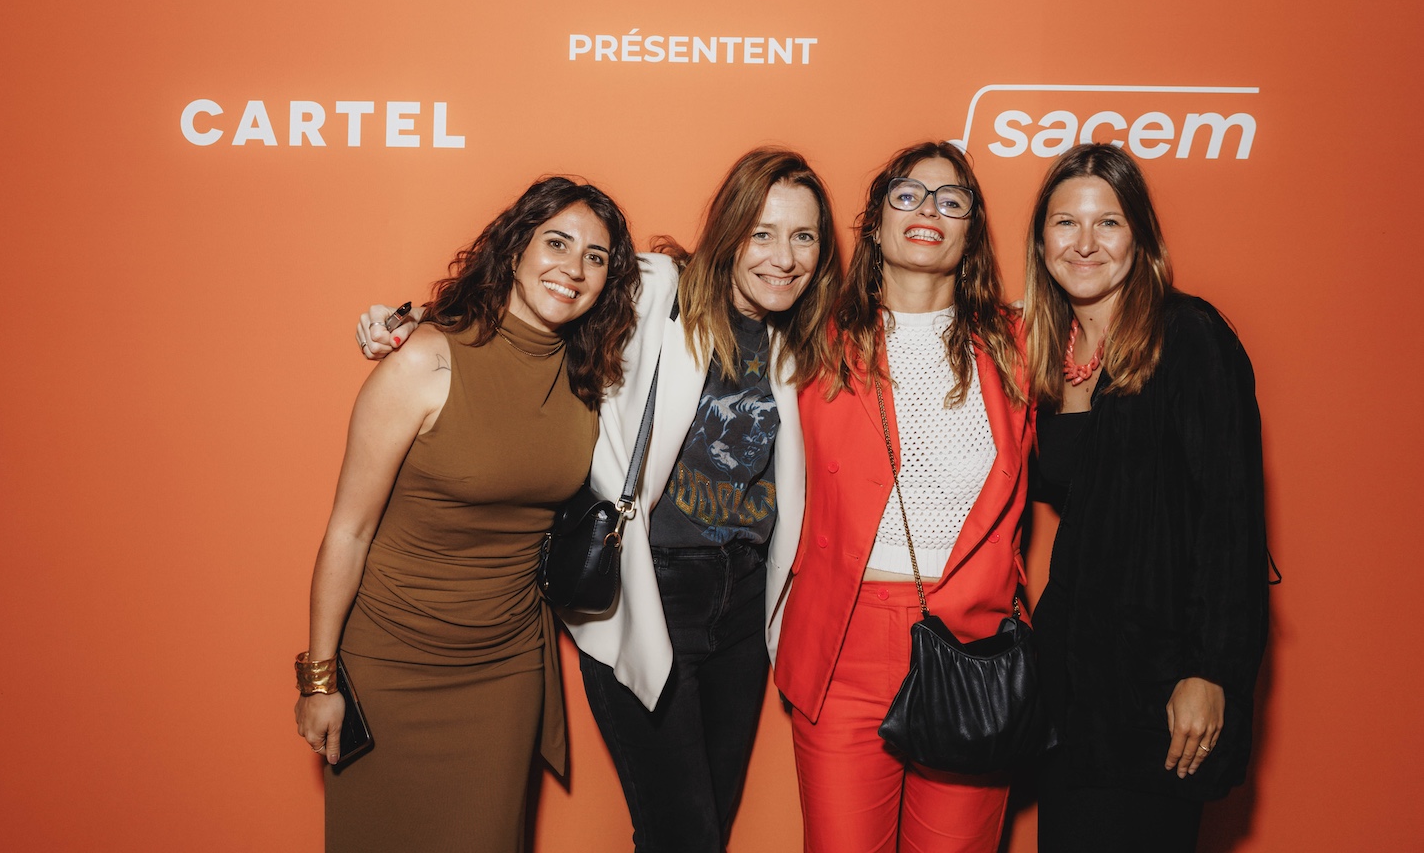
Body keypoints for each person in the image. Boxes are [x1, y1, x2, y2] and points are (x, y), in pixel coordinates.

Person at [360, 148, 843, 852]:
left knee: (705, 831)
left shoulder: (805, 335)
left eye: (803, 237)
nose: (784, 257)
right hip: (652, 588)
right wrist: (413, 322)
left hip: (745, 602)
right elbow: (550, 290)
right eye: (761, 233)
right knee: (684, 835)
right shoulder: (658, 289)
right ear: (729, 230)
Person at [294, 176, 639, 853]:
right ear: (515, 249)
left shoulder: (589, 378)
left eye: (595, 257)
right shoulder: (424, 360)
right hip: (390, 661)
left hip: (504, 670)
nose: (573, 268)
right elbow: (348, 532)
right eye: (557, 243)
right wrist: (319, 678)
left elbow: (697, 280)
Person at [773, 141, 1033, 853]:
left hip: (973, 646)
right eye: (908, 194)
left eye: (952, 200)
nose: (929, 210)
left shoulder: (1017, 344)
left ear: (971, 230)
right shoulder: (813, 340)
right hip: (843, 647)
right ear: (876, 220)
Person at [1023, 143, 1269, 853]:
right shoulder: (1051, 353)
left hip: (1156, 688)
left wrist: (1213, 671)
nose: (1085, 243)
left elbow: (1231, 521)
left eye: (1109, 222)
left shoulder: (1188, 336)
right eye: (1066, 222)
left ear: (1141, 238)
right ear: (1041, 242)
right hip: (1072, 691)